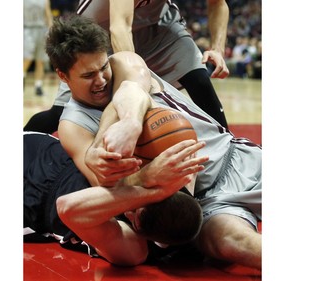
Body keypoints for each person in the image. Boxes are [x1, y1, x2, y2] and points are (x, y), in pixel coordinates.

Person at [46, 15, 262, 269]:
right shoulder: (72, 126)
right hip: (201, 203)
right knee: (235, 244)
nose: (102, 79)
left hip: (233, 157)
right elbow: (110, 187)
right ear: (63, 75)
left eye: (102, 67)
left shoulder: (124, 62)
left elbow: (132, 91)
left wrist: (129, 124)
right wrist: (147, 176)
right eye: (89, 74)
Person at [23, 0, 230, 133]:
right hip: (99, 35)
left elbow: (218, 3)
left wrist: (218, 49)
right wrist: (138, 85)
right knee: (60, 114)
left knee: (200, 81)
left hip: (158, 26)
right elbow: (120, 27)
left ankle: (231, 148)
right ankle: (24, 141)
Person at [24, 131, 206, 266]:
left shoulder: (133, 250)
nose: (127, 208)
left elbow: (66, 206)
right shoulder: (182, 183)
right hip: (52, 155)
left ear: (138, 226)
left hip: (32, 201)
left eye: (134, 208)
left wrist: (150, 190)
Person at [23, 0, 53, 96]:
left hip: (42, 29)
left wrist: (51, 30)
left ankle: (38, 85)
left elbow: (48, 14)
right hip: (27, 29)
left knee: (40, 60)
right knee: (27, 58)